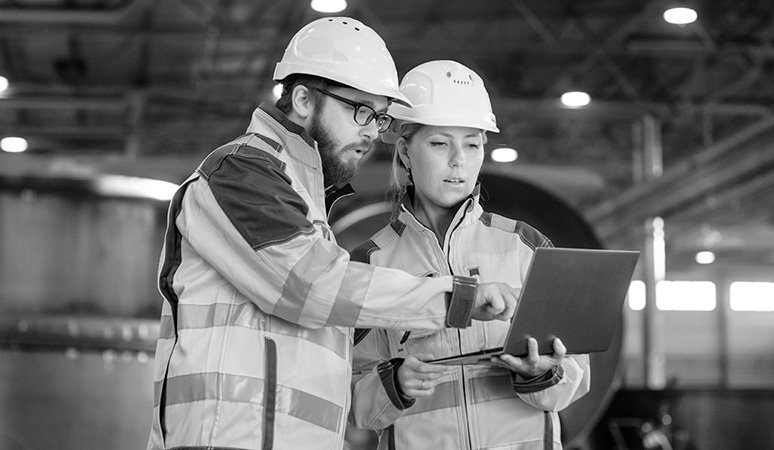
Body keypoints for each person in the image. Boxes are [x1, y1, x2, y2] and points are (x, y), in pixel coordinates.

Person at [145, 18, 520, 450]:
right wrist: (455, 297)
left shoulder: (304, 200)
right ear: (303, 99)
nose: (372, 132)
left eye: (379, 117)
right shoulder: (241, 173)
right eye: (359, 110)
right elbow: (313, 285)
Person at [349, 60, 591, 450]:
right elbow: (351, 399)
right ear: (406, 153)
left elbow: (574, 380)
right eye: (440, 143)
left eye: (473, 144)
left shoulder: (526, 246)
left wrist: (540, 373)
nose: (459, 160)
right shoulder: (371, 263)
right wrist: (393, 383)